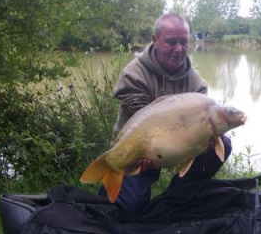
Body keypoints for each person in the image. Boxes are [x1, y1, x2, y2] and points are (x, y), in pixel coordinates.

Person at [99, 13, 232, 213]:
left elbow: (202, 130)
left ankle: (177, 195)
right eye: (171, 42)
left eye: (183, 42)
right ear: (154, 40)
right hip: (138, 149)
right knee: (129, 208)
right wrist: (144, 155)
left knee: (223, 144)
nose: (178, 49)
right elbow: (142, 124)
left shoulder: (197, 84)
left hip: (181, 147)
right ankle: (112, 174)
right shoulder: (134, 75)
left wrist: (208, 138)